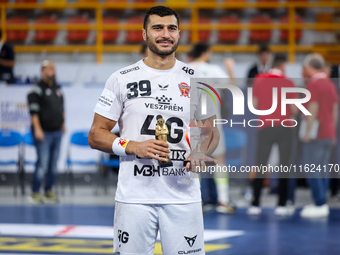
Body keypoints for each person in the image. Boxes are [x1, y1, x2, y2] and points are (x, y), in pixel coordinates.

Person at [88, 6, 219, 255]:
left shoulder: (199, 79)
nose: (165, 34)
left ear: (179, 34)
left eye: (171, 28)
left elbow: (211, 130)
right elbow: (96, 134)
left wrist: (201, 151)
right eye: (157, 27)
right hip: (134, 197)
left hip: (183, 195)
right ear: (144, 33)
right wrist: (133, 146)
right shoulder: (120, 78)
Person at [248, 54, 298, 216]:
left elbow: (254, 105)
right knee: (284, 166)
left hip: (266, 127)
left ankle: (255, 203)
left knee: (260, 164)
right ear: (283, 66)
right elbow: (295, 110)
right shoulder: (289, 82)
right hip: (284, 127)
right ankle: (282, 204)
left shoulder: (259, 79)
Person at [188, 42, 235, 214]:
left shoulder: (184, 68)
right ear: (206, 53)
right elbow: (232, 85)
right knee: (220, 159)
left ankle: (196, 201)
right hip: (211, 120)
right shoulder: (214, 69)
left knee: (195, 161)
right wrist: (230, 67)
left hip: (192, 121)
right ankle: (223, 201)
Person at [300, 53, 338, 218]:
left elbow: (313, 108)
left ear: (309, 68)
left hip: (317, 133)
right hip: (328, 132)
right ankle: (321, 201)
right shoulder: (330, 84)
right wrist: (334, 131)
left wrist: (308, 132)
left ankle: (320, 202)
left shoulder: (314, 84)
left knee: (312, 168)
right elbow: (335, 109)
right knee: (322, 169)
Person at [27, 60, 65, 204]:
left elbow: (61, 107)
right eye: (49, 68)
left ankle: (48, 191)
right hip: (43, 133)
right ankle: (35, 192)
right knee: (42, 163)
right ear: (42, 71)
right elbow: (33, 112)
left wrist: (63, 123)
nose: (53, 71)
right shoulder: (36, 89)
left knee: (53, 165)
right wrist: (37, 129)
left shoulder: (57, 88)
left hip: (57, 132)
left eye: (53, 68)